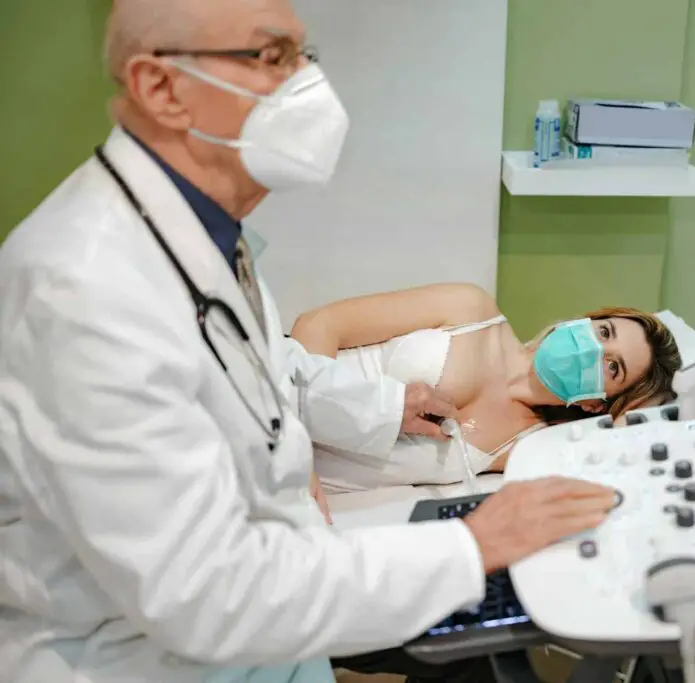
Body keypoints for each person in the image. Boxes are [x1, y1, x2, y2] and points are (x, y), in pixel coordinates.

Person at [0, 1, 617, 681]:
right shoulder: (85, 289)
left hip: (266, 630)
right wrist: (469, 546)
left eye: (304, 55)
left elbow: (264, 369)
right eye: (272, 57)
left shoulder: (200, 235)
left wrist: (385, 407)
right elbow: (205, 592)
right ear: (161, 88)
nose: (308, 86)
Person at [287, 284, 682, 492]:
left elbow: (625, 462)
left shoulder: (526, 447)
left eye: (612, 366)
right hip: (271, 404)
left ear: (598, 404)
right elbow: (319, 325)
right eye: (603, 331)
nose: (592, 349)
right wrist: (297, 463)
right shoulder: (469, 309)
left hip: (270, 491)